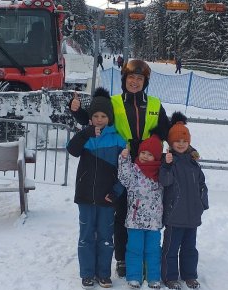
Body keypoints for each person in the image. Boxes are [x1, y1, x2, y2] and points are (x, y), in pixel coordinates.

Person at [69, 59, 170, 278]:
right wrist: (76, 112)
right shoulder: (113, 102)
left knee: (146, 211)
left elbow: (165, 130)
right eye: (131, 78)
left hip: (147, 168)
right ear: (124, 80)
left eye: (140, 79)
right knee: (123, 211)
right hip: (119, 163)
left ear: (145, 82)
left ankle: (145, 255)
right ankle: (123, 258)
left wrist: (179, 148)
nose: (135, 82)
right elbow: (94, 117)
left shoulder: (154, 104)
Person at [67, 87, 126, 289]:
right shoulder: (86, 136)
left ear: (109, 118)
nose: (99, 119)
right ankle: (87, 273)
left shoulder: (118, 140)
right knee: (86, 236)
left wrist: (116, 192)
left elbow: (125, 171)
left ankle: (103, 273)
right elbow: (72, 150)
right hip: (85, 196)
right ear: (90, 117)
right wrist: (85, 133)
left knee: (105, 237)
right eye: (95, 116)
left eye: (103, 116)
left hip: (107, 199)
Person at [159, 112, 209, 290]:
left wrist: (202, 203)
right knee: (171, 249)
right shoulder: (169, 161)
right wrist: (166, 165)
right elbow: (164, 181)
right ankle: (170, 276)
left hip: (192, 216)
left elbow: (202, 184)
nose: (181, 144)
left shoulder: (193, 162)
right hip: (175, 215)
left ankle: (189, 275)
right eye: (177, 141)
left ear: (188, 142)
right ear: (171, 143)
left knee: (190, 249)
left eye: (184, 141)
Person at [117, 135, 164, 290]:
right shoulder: (134, 170)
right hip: (135, 220)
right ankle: (134, 276)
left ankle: (153, 277)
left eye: (150, 154)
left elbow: (170, 179)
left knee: (153, 250)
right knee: (134, 249)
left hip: (154, 221)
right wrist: (124, 159)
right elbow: (124, 178)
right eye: (143, 152)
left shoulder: (160, 174)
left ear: (156, 157)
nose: (145, 156)